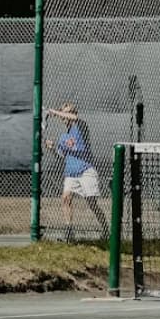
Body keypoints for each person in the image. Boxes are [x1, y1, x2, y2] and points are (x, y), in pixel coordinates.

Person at [49, 102, 109, 241]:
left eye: (68, 112)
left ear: (74, 114)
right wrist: (52, 148)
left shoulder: (81, 126)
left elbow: (75, 118)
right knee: (65, 197)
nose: (66, 116)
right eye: (64, 113)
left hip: (86, 170)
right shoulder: (63, 137)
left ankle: (106, 230)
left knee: (92, 204)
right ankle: (69, 234)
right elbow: (60, 156)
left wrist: (55, 112)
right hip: (71, 173)